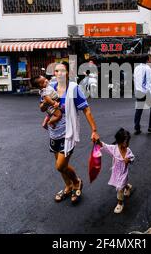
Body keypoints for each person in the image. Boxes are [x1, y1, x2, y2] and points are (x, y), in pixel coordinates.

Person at [40, 62, 100, 204]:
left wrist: (94, 130)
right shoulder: (49, 88)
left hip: (68, 133)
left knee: (60, 166)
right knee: (60, 166)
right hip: (54, 132)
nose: (59, 73)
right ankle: (68, 186)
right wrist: (45, 103)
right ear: (54, 73)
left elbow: (86, 109)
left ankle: (76, 182)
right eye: (56, 71)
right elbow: (43, 107)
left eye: (62, 71)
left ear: (68, 73)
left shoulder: (74, 89)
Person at [98, 128, 135, 214]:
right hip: (116, 172)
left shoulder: (128, 151)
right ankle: (128, 187)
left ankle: (120, 203)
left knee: (119, 188)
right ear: (119, 141)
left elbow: (133, 158)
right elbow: (105, 146)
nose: (127, 144)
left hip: (123, 173)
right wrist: (98, 142)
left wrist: (129, 160)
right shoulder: (114, 149)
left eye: (128, 141)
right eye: (125, 141)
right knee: (121, 185)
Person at [133, 54, 151, 135]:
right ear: (146, 59)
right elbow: (149, 84)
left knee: (139, 109)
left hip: (139, 91)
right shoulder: (147, 68)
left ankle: (137, 128)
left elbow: (135, 80)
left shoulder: (136, 68)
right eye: (150, 58)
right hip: (146, 92)